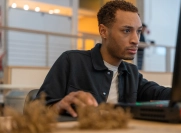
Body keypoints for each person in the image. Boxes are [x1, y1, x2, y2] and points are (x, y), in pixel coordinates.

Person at [36, 1, 171, 117]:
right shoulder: (71, 61)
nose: (136, 40)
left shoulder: (132, 73)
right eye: (126, 31)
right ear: (103, 31)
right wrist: (60, 105)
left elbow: (162, 94)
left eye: (138, 31)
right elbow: (36, 110)